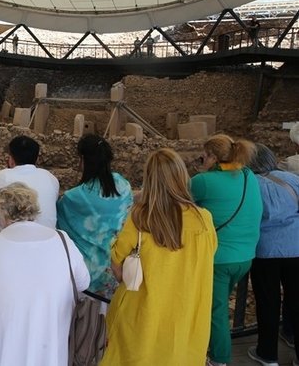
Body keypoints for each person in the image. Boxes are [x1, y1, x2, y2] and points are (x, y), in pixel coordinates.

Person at [101, 148, 217, 365]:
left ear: (150, 180)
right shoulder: (204, 220)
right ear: (182, 176)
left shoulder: (139, 219)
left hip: (142, 317)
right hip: (187, 316)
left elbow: (117, 266)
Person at [0, 182, 89, 365]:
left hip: (7, 349)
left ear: (4, 213)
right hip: (52, 346)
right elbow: (83, 283)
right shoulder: (62, 240)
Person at [191, 134, 262, 366]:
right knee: (218, 305)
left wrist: (202, 171)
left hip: (219, 259)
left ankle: (219, 359)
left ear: (211, 156)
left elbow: (180, 199)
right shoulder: (248, 175)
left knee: (216, 311)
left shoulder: (203, 181)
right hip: (245, 257)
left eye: (206, 155)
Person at [56, 135, 133, 299]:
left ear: (83, 159)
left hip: (87, 277)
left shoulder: (74, 197)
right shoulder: (123, 185)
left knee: (88, 322)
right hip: (118, 271)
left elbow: (58, 226)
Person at [246, 144, 299, 366]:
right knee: (297, 301)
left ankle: (267, 354)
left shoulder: (249, 184)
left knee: (267, 303)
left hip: (264, 250)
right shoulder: (292, 179)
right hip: (296, 248)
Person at [0, 135, 59, 228]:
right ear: (37, 159)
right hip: (49, 237)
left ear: (11, 159)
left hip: (11, 238)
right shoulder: (51, 178)